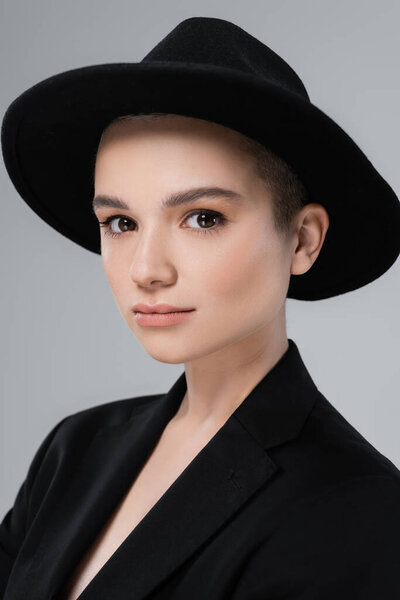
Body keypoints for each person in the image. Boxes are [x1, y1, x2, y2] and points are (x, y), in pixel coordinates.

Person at [1, 16, 400, 600]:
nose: (146, 268)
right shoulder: (75, 449)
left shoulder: (361, 507)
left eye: (203, 218)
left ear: (302, 240)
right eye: (120, 222)